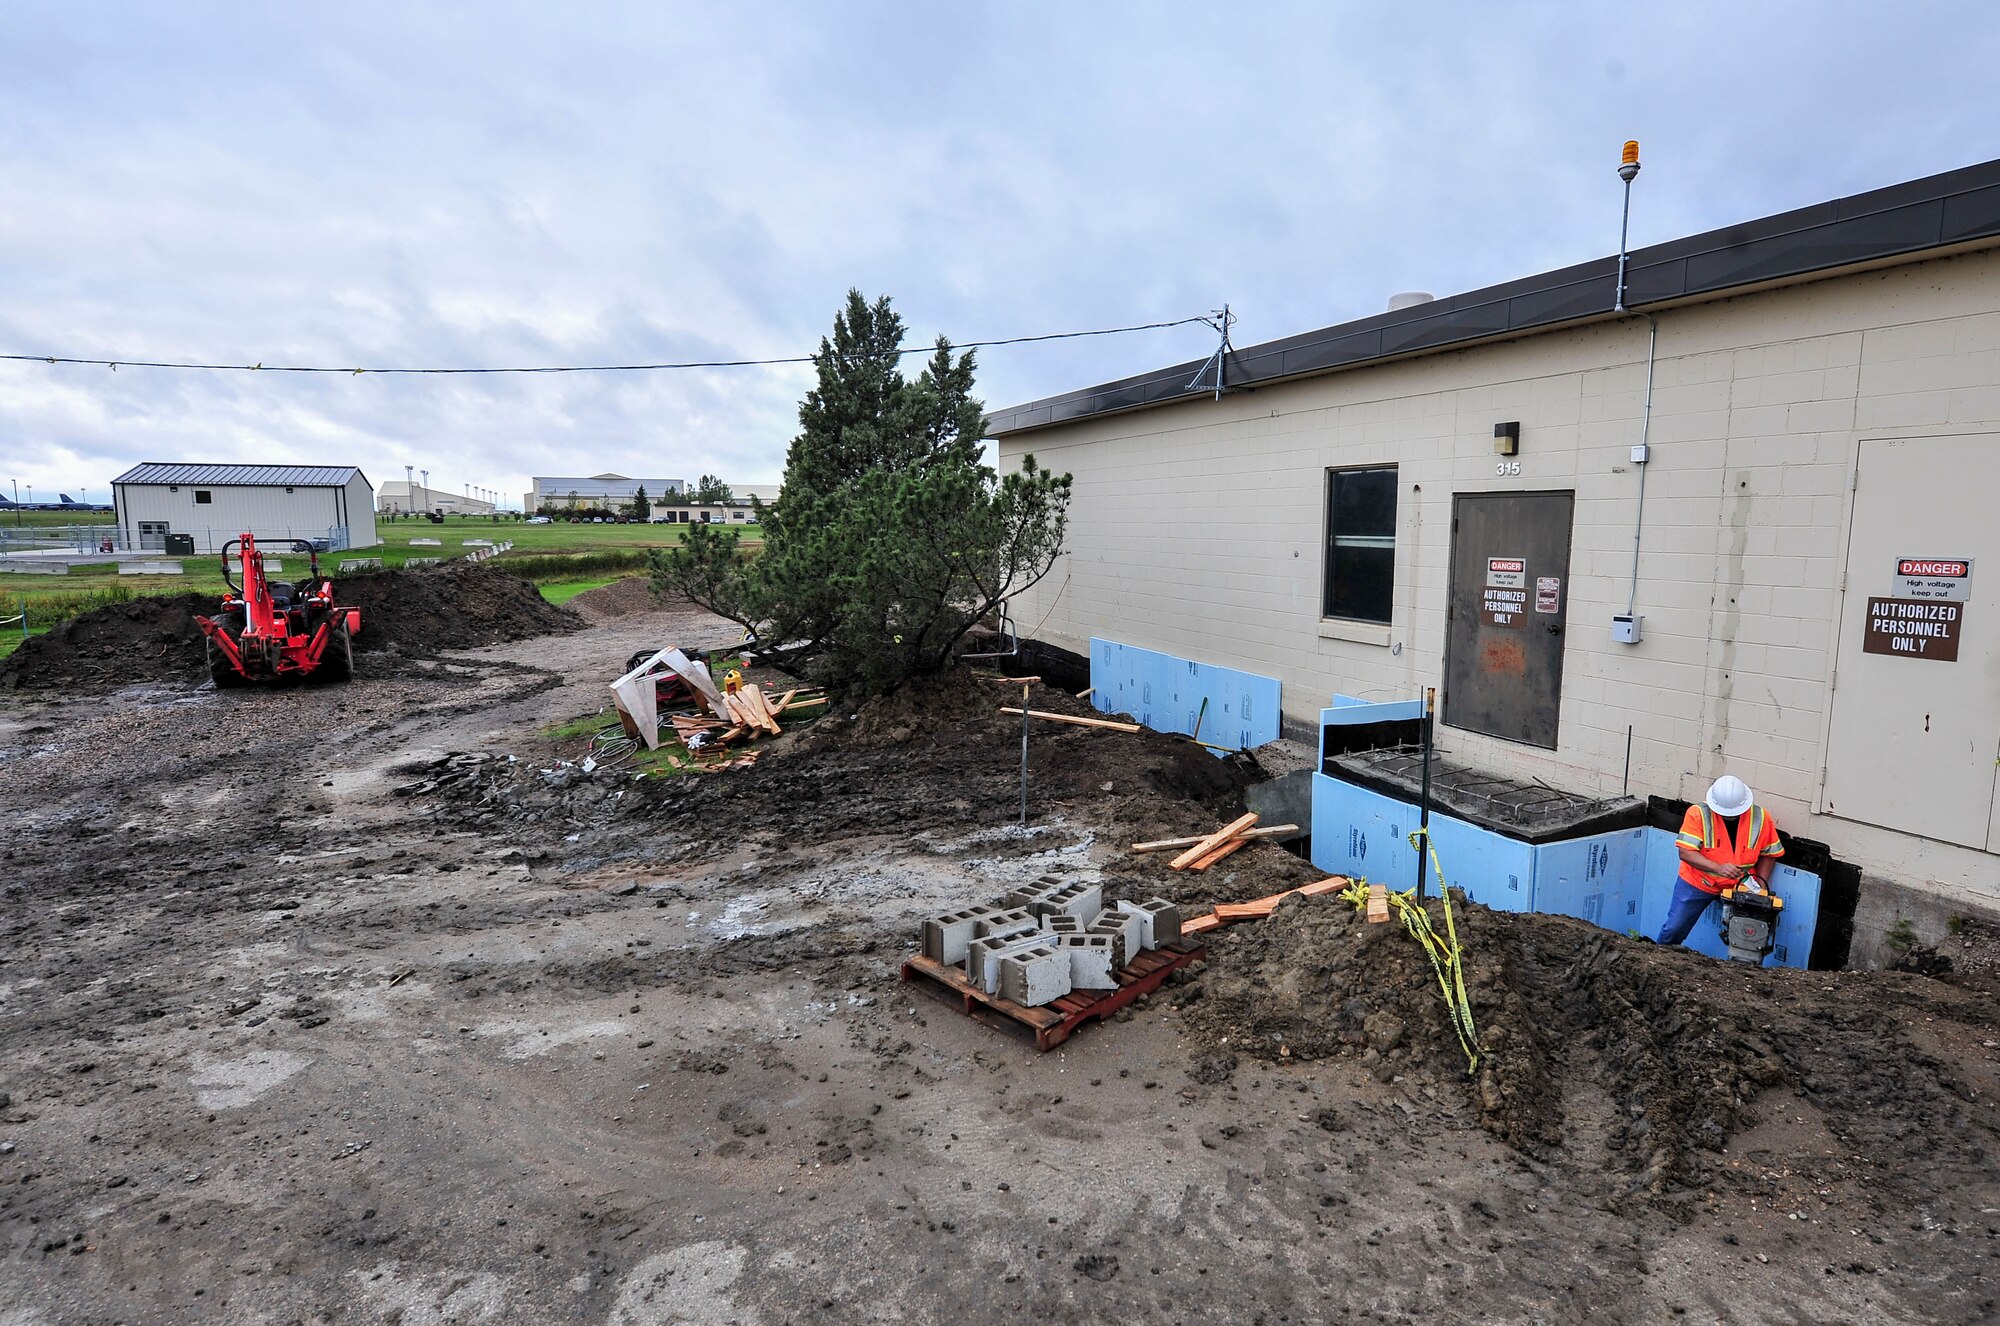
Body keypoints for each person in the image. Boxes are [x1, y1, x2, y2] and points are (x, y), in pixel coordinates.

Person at [1657, 775, 1783, 947]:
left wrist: (1760, 889)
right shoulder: (1697, 814)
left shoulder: (1760, 817)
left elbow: (1769, 854)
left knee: (1750, 934)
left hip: (1741, 883)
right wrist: (1718, 868)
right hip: (1699, 881)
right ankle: (1659, 956)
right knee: (1674, 929)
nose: (1729, 816)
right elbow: (1686, 853)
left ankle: (1743, 967)